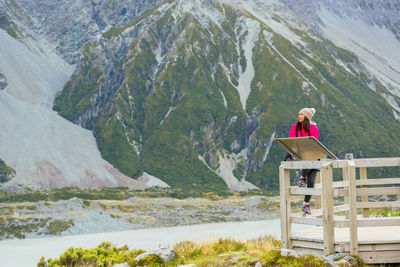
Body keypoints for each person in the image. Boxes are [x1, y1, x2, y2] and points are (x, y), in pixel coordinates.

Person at [289, 107, 319, 215]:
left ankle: (306, 203)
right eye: (299, 114)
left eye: (301, 114)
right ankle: (302, 178)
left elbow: (314, 145)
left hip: (313, 157)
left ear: (307, 117)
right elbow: (291, 142)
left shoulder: (313, 129)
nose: (299, 116)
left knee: (311, 182)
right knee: (306, 158)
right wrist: (290, 154)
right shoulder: (294, 128)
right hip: (301, 155)